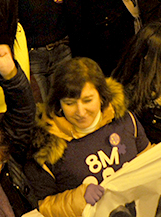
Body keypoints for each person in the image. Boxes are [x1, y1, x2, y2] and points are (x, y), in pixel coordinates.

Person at [26, 58, 153, 217]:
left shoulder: (125, 120)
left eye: (87, 100)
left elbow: (152, 162)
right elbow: (43, 207)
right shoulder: (46, 148)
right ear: (58, 104)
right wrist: (79, 198)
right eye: (70, 103)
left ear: (101, 96)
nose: (80, 111)